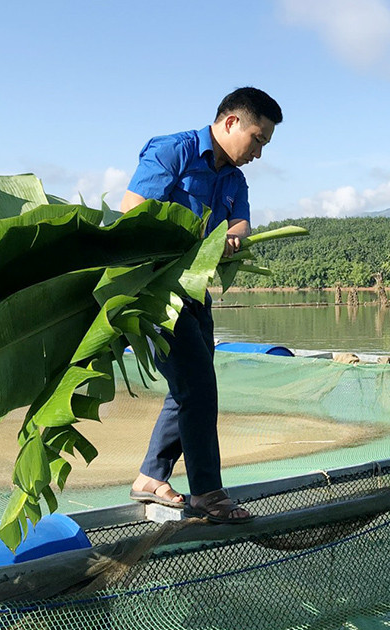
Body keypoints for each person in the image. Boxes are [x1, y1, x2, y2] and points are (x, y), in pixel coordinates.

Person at [122, 87, 282, 524]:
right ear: (230, 122)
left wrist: (236, 234)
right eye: (258, 139)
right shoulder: (173, 151)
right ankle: (208, 493)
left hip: (195, 294)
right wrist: (195, 237)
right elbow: (132, 211)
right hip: (154, 293)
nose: (259, 152)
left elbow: (241, 221)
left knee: (189, 385)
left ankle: (150, 478)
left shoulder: (234, 178)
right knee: (198, 387)